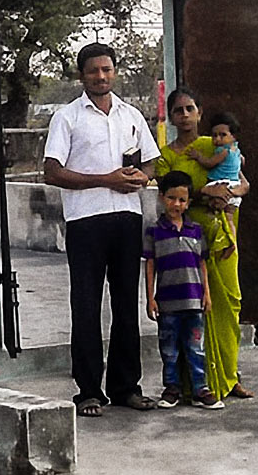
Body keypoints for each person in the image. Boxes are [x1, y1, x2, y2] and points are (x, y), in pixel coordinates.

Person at [43, 42, 161, 417]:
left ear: (114, 71)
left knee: (126, 305)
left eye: (107, 70)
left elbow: (152, 162)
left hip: (127, 218)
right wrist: (105, 179)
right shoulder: (68, 117)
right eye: (93, 71)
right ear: (82, 75)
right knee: (86, 306)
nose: (101, 76)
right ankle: (89, 391)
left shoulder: (130, 115)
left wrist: (141, 177)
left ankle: (127, 387)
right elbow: (53, 171)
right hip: (86, 221)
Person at [154, 87, 256, 401]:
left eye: (190, 109)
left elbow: (243, 182)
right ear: (170, 117)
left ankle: (229, 376)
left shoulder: (216, 143)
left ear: (199, 112)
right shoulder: (166, 157)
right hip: (186, 238)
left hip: (223, 231)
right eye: (178, 111)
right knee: (190, 307)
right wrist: (203, 195)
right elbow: (168, 194)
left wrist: (232, 193)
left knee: (229, 301)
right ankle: (189, 384)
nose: (184, 116)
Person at [143, 170, 224, 410]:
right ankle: (171, 389)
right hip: (167, 303)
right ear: (161, 197)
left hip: (193, 302)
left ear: (188, 203)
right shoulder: (154, 232)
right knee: (169, 349)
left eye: (181, 200)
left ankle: (200, 389)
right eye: (171, 198)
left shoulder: (195, 230)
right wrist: (150, 299)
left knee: (195, 348)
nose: (176, 204)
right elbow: (150, 265)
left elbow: (202, 263)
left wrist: (206, 294)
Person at [188, 111, 242, 259]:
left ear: (233, 136)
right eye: (215, 135)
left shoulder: (223, 152)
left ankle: (219, 244)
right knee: (229, 218)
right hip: (234, 188)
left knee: (211, 208)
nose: (217, 139)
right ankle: (232, 243)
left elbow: (210, 163)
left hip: (222, 185)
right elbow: (242, 162)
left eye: (222, 135)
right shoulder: (236, 150)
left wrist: (198, 157)